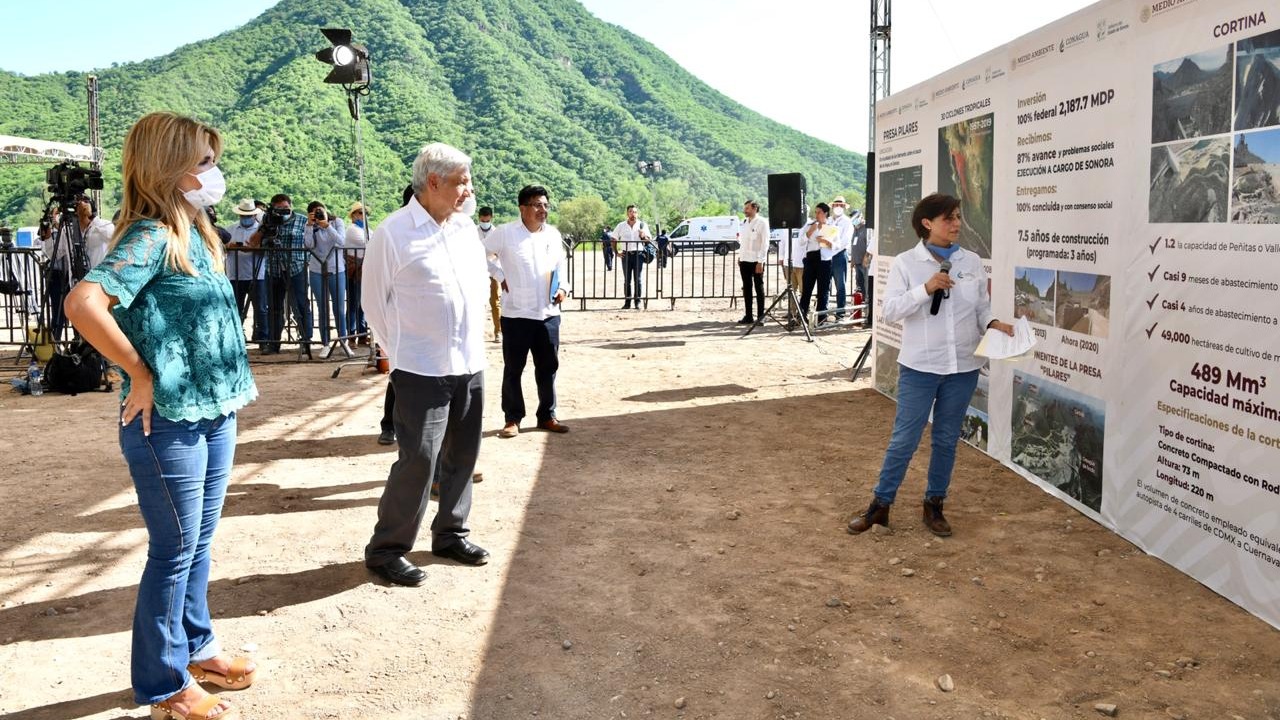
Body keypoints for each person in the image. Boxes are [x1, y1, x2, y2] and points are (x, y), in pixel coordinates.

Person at [63, 111, 258, 720]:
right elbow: (83, 302)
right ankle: (163, 684)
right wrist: (137, 371)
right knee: (174, 549)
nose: (211, 172)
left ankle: (197, 650)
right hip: (166, 420)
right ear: (167, 167)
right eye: (201, 162)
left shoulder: (196, 232)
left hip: (213, 411)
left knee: (196, 543)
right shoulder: (149, 235)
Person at [846, 193, 1013, 538]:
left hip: (963, 366)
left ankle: (934, 505)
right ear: (927, 223)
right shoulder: (908, 263)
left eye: (957, 217)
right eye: (948, 218)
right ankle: (880, 506)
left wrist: (995, 323)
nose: (956, 224)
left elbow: (981, 307)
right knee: (904, 439)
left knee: (947, 440)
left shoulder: (972, 261)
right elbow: (890, 310)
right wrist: (926, 288)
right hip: (921, 366)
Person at [363, 142, 491, 586]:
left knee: (463, 455)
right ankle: (387, 549)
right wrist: (399, 355)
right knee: (418, 460)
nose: (468, 190)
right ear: (433, 183)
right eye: (461, 181)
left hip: (468, 362)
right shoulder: (393, 233)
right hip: (419, 368)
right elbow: (373, 303)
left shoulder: (464, 229)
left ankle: (451, 533)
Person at [484, 185, 571, 439]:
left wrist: (564, 288)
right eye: (537, 205)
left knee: (548, 368)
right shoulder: (505, 233)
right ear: (523, 208)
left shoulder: (553, 235)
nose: (542, 209)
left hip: (548, 314)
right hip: (516, 315)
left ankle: (547, 415)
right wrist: (500, 275)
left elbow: (560, 265)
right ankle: (512, 418)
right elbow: (481, 253)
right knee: (514, 368)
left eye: (545, 205)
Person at [252, 193, 311, 355]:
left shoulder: (302, 220)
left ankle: (306, 341)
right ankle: (273, 342)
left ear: (291, 206)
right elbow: (253, 242)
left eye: (286, 208)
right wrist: (265, 227)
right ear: (273, 208)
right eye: (279, 209)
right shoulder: (267, 220)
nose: (283, 212)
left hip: (296, 268)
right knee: (274, 308)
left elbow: (311, 241)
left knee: (300, 305)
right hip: (273, 268)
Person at [303, 200, 349, 358]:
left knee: (339, 308)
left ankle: (343, 340)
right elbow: (308, 245)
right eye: (315, 213)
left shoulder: (337, 222)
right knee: (322, 308)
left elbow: (342, 242)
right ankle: (325, 343)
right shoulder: (309, 225)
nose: (319, 215)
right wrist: (310, 226)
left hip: (336, 269)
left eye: (320, 211)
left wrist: (327, 226)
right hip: (316, 269)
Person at [226, 198, 269, 352]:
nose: (245, 218)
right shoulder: (230, 229)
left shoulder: (261, 231)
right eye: (243, 215)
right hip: (235, 274)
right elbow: (221, 246)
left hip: (257, 274)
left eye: (248, 215)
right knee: (236, 308)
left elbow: (265, 251)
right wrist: (228, 247)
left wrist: (252, 248)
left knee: (261, 308)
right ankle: (237, 337)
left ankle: (264, 339)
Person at [611, 204, 650, 309]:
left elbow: (648, 240)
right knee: (627, 280)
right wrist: (616, 252)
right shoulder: (621, 225)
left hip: (639, 254)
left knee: (638, 279)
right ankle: (627, 302)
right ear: (627, 213)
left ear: (637, 213)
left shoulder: (642, 225)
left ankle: (637, 302)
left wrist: (643, 236)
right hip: (626, 255)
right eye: (631, 212)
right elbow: (613, 239)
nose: (633, 214)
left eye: (635, 212)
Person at [799, 203, 832, 325]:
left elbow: (838, 245)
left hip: (824, 260)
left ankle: (821, 318)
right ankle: (801, 316)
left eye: (819, 212)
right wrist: (810, 232)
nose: (816, 214)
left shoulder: (831, 227)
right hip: (811, 258)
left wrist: (827, 242)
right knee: (807, 288)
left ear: (825, 213)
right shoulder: (809, 225)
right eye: (816, 212)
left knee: (823, 290)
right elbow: (800, 241)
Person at [736, 200, 768, 325]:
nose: (745, 211)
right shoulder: (744, 222)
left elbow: (765, 243)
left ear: (755, 209)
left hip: (756, 260)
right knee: (747, 288)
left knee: (759, 288)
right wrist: (740, 257)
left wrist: (761, 261)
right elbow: (742, 242)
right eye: (745, 208)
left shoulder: (762, 223)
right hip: (744, 260)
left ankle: (761, 316)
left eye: (747, 208)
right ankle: (748, 315)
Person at [345, 202, 369, 345]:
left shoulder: (364, 229)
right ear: (353, 215)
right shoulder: (353, 229)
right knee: (355, 302)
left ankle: (361, 333)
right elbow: (367, 242)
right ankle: (353, 333)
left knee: (361, 303)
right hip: (356, 270)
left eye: (364, 213)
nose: (363, 215)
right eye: (360, 213)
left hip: (362, 269)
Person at [477, 206, 501, 342]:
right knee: (478, 302)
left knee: (495, 302)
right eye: (482, 220)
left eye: (487, 220)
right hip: (478, 271)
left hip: (493, 271)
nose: (485, 222)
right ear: (479, 218)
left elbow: (499, 252)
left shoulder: (496, 232)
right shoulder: (473, 231)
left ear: (491, 218)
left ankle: (498, 331)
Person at [828, 196, 854, 322]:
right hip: (827, 255)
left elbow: (845, 241)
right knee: (825, 285)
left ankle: (840, 313)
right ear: (832, 207)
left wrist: (832, 249)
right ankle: (824, 312)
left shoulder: (847, 222)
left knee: (840, 285)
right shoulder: (828, 220)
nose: (838, 207)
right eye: (836, 205)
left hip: (839, 255)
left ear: (844, 207)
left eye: (840, 205)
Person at [777, 225, 806, 328]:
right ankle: (791, 312)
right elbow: (782, 243)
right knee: (791, 289)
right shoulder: (786, 228)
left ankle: (802, 312)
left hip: (802, 264)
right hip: (788, 263)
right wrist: (781, 257)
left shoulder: (808, 225)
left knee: (804, 290)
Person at [78, 195, 117, 269]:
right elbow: (55, 253)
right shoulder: (67, 229)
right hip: (77, 279)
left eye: (85, 202)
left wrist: (91, 216)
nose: (81, 205)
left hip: (99, 277)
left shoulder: (104, 224)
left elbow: (114, 237)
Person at [850, 212, 869, 297]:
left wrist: (866, 256)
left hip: (865, 261)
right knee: (859, 281)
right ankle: (861, 298)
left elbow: (869, 244)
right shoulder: (855, 229)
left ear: (861, 216)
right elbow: (853, 244)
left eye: (856, 218)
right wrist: (853, 259)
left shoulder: (866, 228)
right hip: (857, 261)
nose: (854, 220)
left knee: (866, 281)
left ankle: (867, 298)